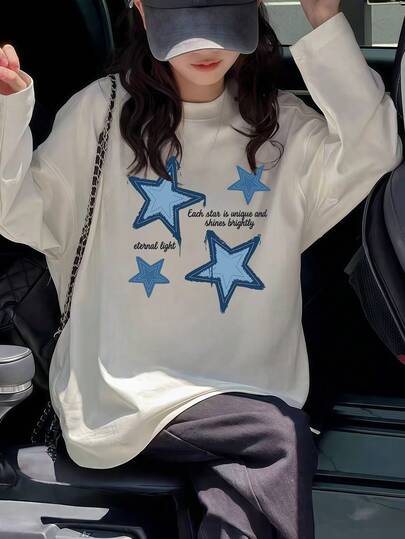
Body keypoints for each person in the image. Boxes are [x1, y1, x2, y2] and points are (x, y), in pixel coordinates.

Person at [0, 0, 402, 537]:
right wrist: (8, 113)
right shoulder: (101, 113)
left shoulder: (284, 127)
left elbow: (373, 148)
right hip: (128, 396)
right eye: (186, 30)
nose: (207, 48)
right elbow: (18, 212)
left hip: (246, 395)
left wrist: (323, 17)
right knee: (276, 438)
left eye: (220, 26)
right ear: (143, 13)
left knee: (253, 473)